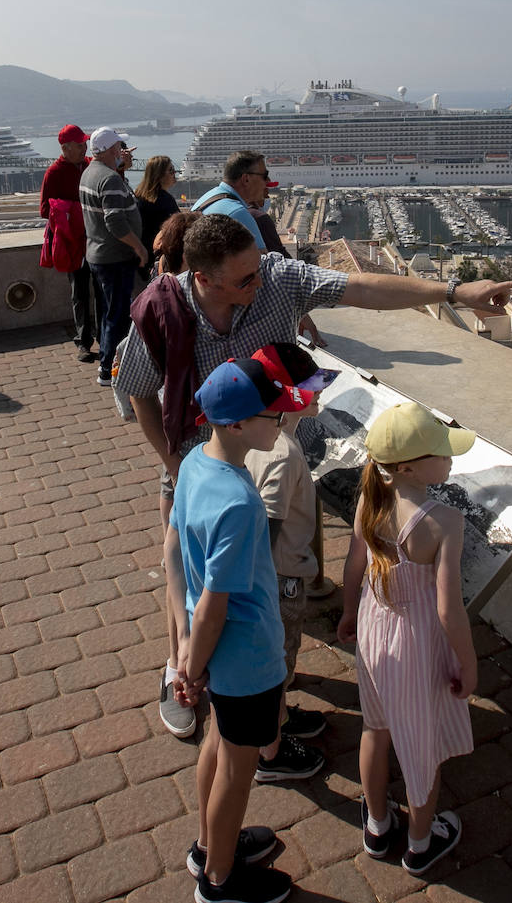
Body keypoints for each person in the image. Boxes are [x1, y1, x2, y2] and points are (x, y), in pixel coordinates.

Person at [116, 215, 512, 735]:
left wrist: (456, 292)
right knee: (191, 578)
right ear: (204, 279)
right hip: (199, 463)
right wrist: (177, 467)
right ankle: (184, 674)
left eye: (258, 268)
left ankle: (259, 701)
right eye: (245, 278)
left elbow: (361, 289)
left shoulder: (276, 278)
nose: (259, 281)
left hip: (270, 463)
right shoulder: (163, 308)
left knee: (256, 592)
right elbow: (138, 390)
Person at [166, 356, 311, 903]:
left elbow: (174, 554)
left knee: (217, 744)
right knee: (237, 769)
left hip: (214, 654)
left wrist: (186, 652)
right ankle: (221, 880)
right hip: (248, 658)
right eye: (271, 415)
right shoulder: (241, 502)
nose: (280, 421)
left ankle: (208, 846)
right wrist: (192, 667)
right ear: (235, 425)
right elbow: (216, 603)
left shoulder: (193, 466)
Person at [336, 401, 479, 876]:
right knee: (421, 745)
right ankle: (420, 843)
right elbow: (448, 609)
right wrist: (468, 663)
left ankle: (377, 825)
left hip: (374, 629)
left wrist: (349, 611)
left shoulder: (371, 500)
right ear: (409, 468)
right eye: (441, 451)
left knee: (374, 729)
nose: (450, 458)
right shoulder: (445, 522)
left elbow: (354, 566)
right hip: (416, 643)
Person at [243, 343, 337, 778]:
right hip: (279, 577)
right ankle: (271, 751)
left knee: (278, 658)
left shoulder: (268, 438)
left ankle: (277, 718)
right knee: (276, 662)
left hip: (275, 573)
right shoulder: (281, 453)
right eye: (311, 387)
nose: (320, 393)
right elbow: (268, 525)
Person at [79, 126, 147, 386]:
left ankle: (110, 365)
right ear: (109, 150)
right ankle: (109, 370)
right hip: (115, 257)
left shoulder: (89, 173)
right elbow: (115, 223)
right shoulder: (109, 179)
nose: (122, 150)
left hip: (97, 254)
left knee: (109, 311)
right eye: (119, 146)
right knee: (117, 316)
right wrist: (139, 247)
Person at [40, 124, 99, 362]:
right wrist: (72, 212)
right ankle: (83, 341)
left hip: (94, 237)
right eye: (80, 144)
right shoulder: (54, 173)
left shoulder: (89, 165)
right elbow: (44, 210)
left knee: (100, 290)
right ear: (65, 148)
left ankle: (103, 338)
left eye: (85, 143)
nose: (85, 147)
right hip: (72, 241)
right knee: (79, 292)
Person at [191, 151, 272, 250]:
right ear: (246, 179)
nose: (268, 181)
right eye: (265, 176)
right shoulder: (238, 214)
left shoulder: (207, 198)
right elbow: (261, 258)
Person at [135, 155, 181, 282]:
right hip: (158, 258)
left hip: (141, 257)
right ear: (159, 175)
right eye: (170, 170)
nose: (174, 173)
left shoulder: (139, 196)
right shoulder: (164, 200)